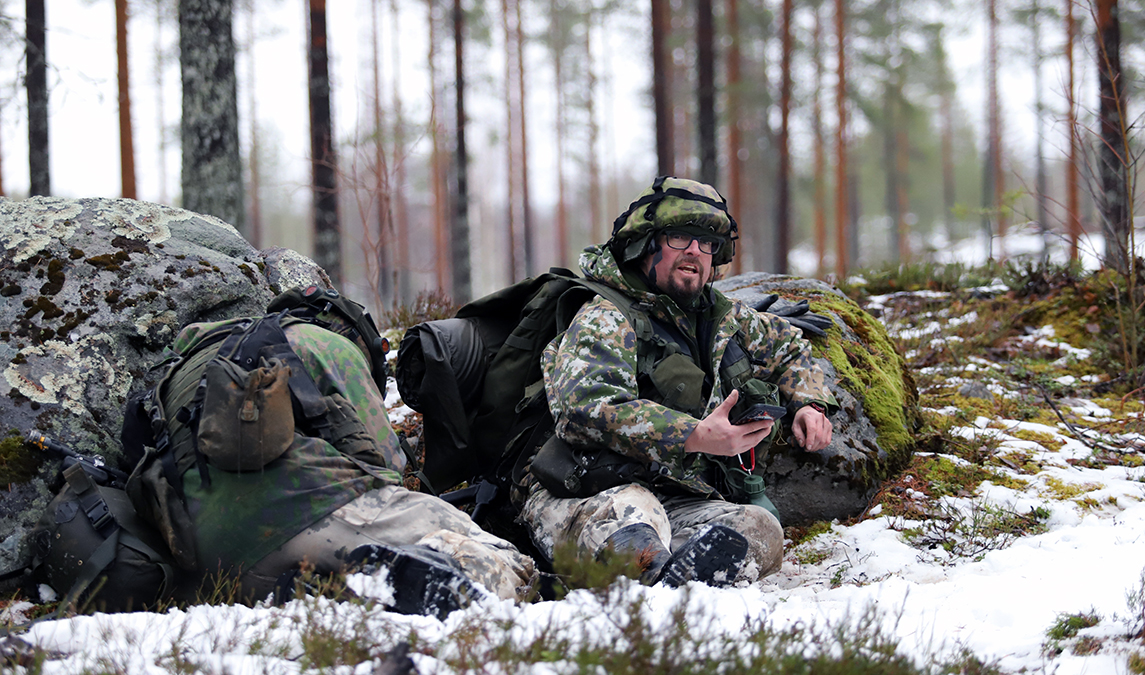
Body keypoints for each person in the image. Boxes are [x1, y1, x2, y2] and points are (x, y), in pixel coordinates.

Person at [129, 290, 536, 617]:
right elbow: (387, 471)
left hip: (208, 566)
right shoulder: (325, 343)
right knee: (497, 558)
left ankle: (322, 591)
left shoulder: (179, 370)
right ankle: (482, 592)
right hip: (302, 511)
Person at [519, 176, 838, 587]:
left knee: (759, 527)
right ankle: (656, 580)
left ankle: (674, 578)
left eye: (706, 243)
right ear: (645, 246)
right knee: (631, 517)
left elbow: (789, 347)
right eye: (679, 238)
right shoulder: (606, 316)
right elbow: (586, 410)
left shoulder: (723, 317)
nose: (694, 251)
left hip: (679, 498)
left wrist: (809, 403)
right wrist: (694, 435)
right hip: (586, 492)